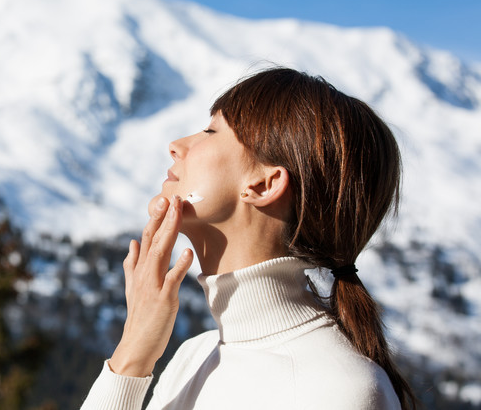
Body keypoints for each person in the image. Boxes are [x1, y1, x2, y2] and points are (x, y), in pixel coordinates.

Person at [81, 67, 417, 409]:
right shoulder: (192, 357)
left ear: (263, 184)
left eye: (211, 131)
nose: (176, 146)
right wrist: (132, 355)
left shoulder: (339, 391)